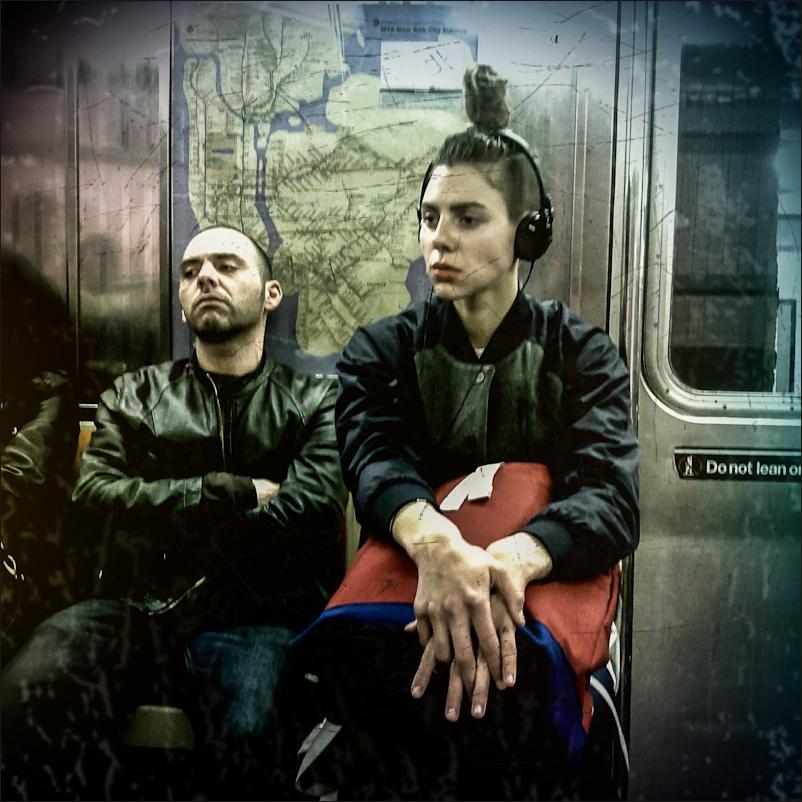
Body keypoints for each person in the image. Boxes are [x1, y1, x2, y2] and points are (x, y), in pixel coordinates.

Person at [280, 64, 639, 799]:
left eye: (468, 219)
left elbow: (610, 495)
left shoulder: (580, 354)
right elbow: (376, 461)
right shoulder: (382, 349)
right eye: (428, 216)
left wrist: (507, 560)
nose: (438, 238)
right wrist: (441, 550)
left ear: (526, 233)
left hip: (532, 611)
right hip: (413, 611)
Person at [1, 226, 348, 799]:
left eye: (226, 266)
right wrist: (227, 494)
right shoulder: (135, 394)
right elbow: (95, 498)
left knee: (249, 734)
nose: (205, 277)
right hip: (131, 605)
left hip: (253, 616)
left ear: (271, 294)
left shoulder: (315, 400)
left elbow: (311, 510)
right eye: (191, 272)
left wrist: (154, 508)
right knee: (24, 693)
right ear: (183, 302)